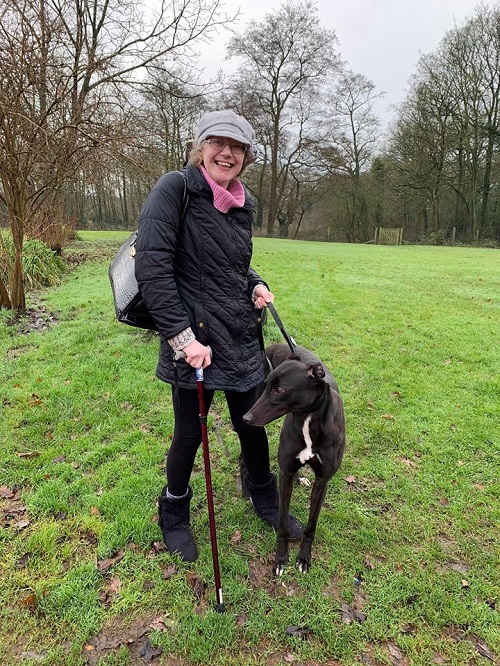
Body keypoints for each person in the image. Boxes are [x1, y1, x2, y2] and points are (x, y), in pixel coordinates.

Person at [134, 109, 303, 562]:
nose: (227, 153)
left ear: (246, 157)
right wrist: (184, 340)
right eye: (218, 143)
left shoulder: (241, 203)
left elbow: (233, 263)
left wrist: (255, 283)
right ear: (201, 147)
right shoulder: (176, 189)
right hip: (196, 345)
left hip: (241, 338)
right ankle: (173, 513)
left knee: (253, 427)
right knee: (190, 433)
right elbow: (152, 268)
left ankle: (265, 497)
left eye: (238, 147)